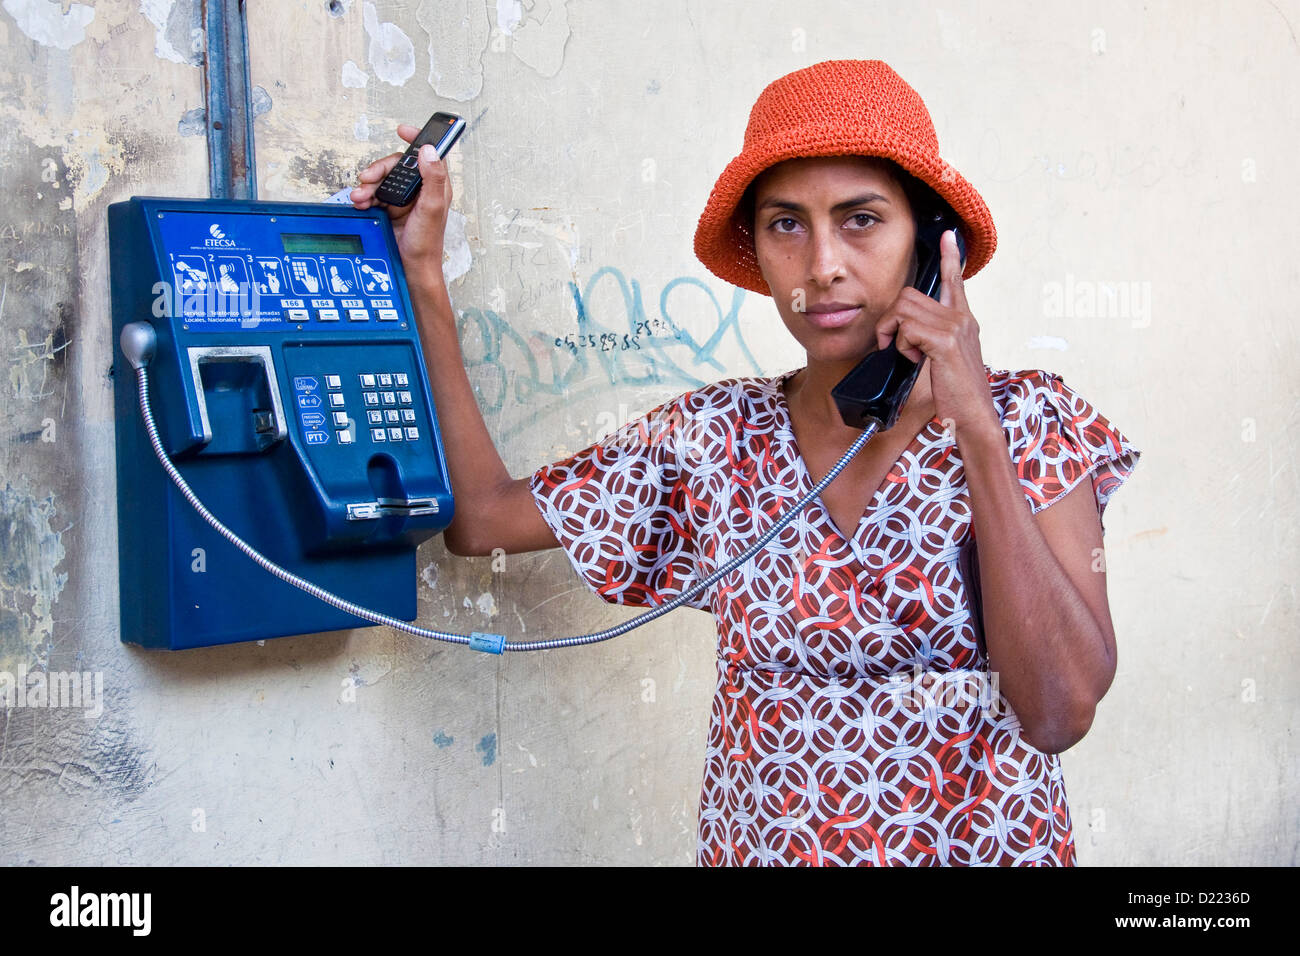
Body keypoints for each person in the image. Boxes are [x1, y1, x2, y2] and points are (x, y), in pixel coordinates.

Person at [350, 59, 1141, 866]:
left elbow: (1056, 712)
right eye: (787, 224)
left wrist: (974, 428)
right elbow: (480, 518)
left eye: (862, 219)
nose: (823, 264)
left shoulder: (1030, 420)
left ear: (933, 244)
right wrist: (421, 273)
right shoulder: (717, 436)